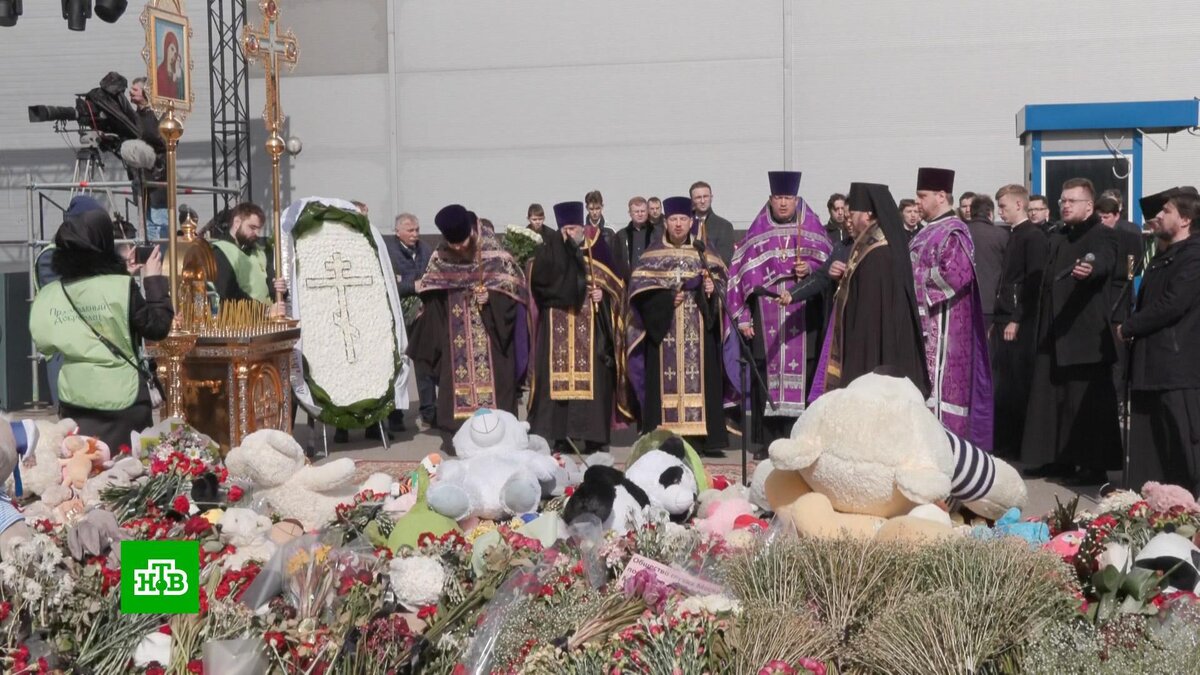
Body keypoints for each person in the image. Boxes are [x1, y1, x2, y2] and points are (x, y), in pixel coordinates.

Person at [29, 208, 173, 451]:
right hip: (124, 401)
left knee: (82, 469)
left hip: (75, 401)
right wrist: (153, 280)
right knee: (126, 475)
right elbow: (158, 327)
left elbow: (46, 342)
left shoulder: (49, 295)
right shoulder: (121, 288)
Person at [1021, 178, 1122, 485]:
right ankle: (1057, 459)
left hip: (1084, 336)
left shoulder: (1102, 234)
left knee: (1086, 405)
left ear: (1089, 206)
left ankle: (1093, 466)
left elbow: (1103, 261)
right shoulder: (1058, 236)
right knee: (1052, 401)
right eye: (1062, 200)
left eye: (1071, 201)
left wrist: (1090, 270)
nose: (1064, 205)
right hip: (1053, 332)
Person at [727, 171, 832, 458]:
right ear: (770, 199)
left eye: (788, 198)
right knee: (765, 372)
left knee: (805, 372)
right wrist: (744, 318)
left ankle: (798, 438)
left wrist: (808, 268)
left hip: (803, 316)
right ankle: (768, 442)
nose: (783, 203)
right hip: (766, 315)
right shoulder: (758, 232)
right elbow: (738, 277)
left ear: (796, 199)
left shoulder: (812, 228)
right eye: (778, 198)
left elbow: (828, 266)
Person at [407, 204, 529, 439]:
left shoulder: (494, 253)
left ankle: (500, 435)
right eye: (453, 244)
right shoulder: (440, 256)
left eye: (462, 242)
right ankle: (459, 436)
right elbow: (433, 291)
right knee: (454, 386)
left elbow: (516, 290)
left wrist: (492, 298)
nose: (459, 248)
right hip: (455, 339)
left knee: (497, 391)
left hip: (492, 338)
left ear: (471, 232)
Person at [627, 196, 730, 455]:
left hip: (698, 329)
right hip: (664, 332)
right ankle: (663, 436)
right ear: (665, 222)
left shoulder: (704, 251)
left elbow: (723, 283)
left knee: (704, 378)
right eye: (673, 219)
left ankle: (704, 438)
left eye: (683, 219)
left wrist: (711, 290)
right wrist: (665, 299)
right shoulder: (652, 255)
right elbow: (640, 295)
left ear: (691, 222)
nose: (678, 225)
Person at [810, 182, 928, 400]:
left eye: (852, 212)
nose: (849, 219)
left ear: (867, 214)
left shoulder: (878, 253)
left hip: (872, 347)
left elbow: (870, 311)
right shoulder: (870, 244)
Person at [527, 201, 626, 452]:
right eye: (566, 229)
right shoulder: (549, 251)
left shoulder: (597, 249)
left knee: (595, 380)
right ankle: (561, 436)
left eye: (575, 227)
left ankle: (594, 437)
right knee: (557, 384)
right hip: (558, 327)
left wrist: (602, 296)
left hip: (592, 331)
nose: (572, 233)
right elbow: (540, 287)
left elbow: (618, 287)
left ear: (582, 226)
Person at [1120, 190, 1200, 493]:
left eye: (1166, 211)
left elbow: (1173, 303)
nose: (1158, 216)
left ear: (1185, 219)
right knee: (1153, 452)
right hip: (1151, 367)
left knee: (1184, 448)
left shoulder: (1193, 254)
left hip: (1177, 368)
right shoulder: (1164, 255)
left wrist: (1130, 326)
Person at [910, 167, 993, 448]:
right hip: (924, 326)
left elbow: (956, 275)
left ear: (941, 195)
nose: (917, 202)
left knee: (942, 394)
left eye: (922, 196)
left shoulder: (954, 231)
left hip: (945, 331)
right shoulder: (923, 233)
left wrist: (913, 286)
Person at [991, 184, 1049, 458]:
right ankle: (1005, 442)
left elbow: (1032, 283)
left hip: (1020, 321)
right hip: (1005, 315)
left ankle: (1016, 445)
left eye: (1003, 206)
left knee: (1016, 384)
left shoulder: (1033, 237)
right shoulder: (1012, 235)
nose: (1000, 212)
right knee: (1003, 383)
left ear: (1018, 205)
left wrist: (1016, 318)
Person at [386, 212, 435, 432]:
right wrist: (411, 286)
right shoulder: (388, 252)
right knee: (398, 366)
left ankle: (428, 412)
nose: (415, 234)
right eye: (410, 230)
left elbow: (432, 275)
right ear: (398, 231)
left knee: (424, 365)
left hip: (422, 315)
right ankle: (395, 415)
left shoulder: (425, 249)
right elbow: (386, 283)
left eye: (417, 229)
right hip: (396, 317)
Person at [210, 202, 286, 311]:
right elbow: (230, 295)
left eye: (258, 229)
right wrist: (264, 311)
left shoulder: (259, 251)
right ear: (237, 222)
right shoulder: (219, 252)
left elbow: (270, 284)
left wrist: (280, 289)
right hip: (239, 323)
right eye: (252, 227)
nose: (256, 233)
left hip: (266, 320)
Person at [129, 77, 168, 240]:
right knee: (145, 224)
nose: (130, 92)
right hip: (140, 176)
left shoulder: (158, 114)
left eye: (135, 89)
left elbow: (162, 139)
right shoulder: (134, 116)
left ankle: (162, 256)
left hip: (157, 177)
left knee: (158, 223)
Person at [965, 194, 1008, 328]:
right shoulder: (1001, 234)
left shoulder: (961, 232)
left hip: (963, 303)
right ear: (990, 213)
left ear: (971, 212)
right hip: (990, 302)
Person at [611, 196, 660, 281]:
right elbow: (615, 262)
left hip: (652, 285)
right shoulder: (621, 236)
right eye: (636, 212)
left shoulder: (657, 234)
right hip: (629, 286)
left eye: (643, 211)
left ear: (647, 212)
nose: (640, 214)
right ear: (630, 213)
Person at [690, 181, 736, 265]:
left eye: (706, 196)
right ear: (692, 200)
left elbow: (724, 259)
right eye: (698, 197)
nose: (703, 201)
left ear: (711, 197)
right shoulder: (685, 224)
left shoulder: (724, 226)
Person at [156, 31, 183, 99]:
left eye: (175, 52)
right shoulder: (160, 71)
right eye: (172, 49)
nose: (174, 54)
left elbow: (181, 95)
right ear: (166, 48)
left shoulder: (179, 72)